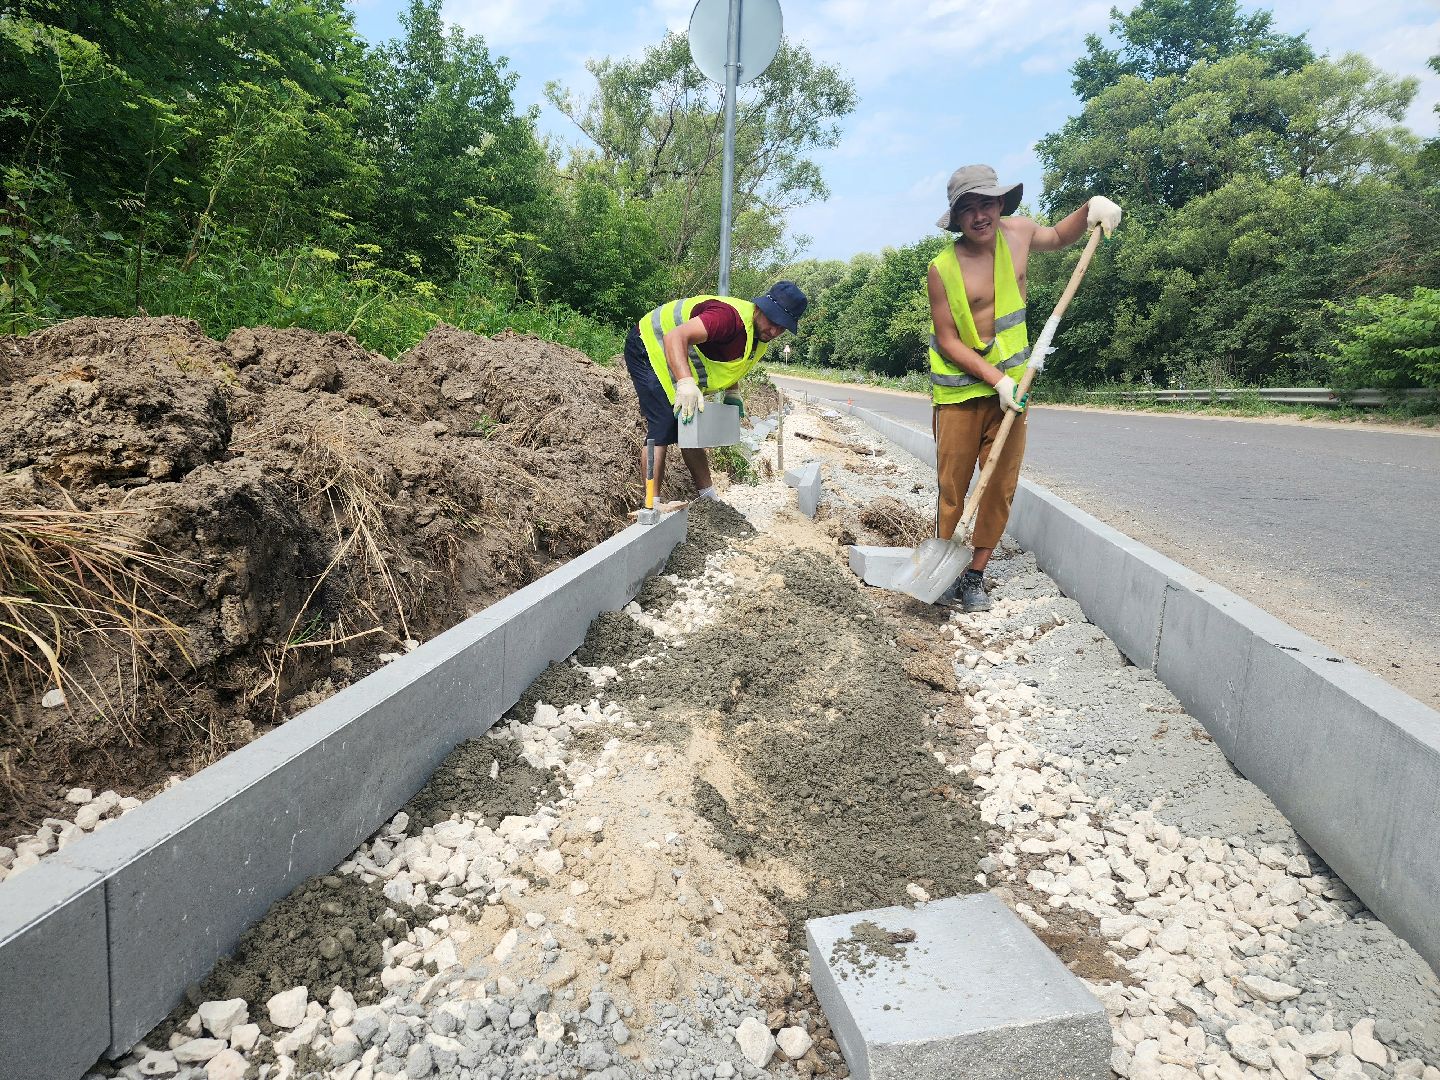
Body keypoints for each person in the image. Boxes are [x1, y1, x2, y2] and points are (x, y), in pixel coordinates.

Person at [927, 164, 1121, 611]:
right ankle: (944, 566)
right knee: (953, 486)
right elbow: (949, 339)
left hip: (1016, 390)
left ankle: (974, 573)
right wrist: (994, 379)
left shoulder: (1018, 234)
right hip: (960, 393)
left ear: (1000, 204)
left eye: (987, 204)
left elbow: (1058, 235)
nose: (980, 216)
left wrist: (1090, 207)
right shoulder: (941, 269)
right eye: (969, 208)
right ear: (957, 217)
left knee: (998, 483)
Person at [623, 282, 808, 503]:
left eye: (782, 327)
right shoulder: (727, 318)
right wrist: (685, 382)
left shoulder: (760, 338)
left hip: (676, 357)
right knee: (663, 423)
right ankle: (651, 505)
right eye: (773, 322)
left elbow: (731, 363)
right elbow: (674, 337)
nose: (775, 331)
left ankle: (708, 497)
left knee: (690, 422)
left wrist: (733, 392)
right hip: (648, 345)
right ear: (760, 308)